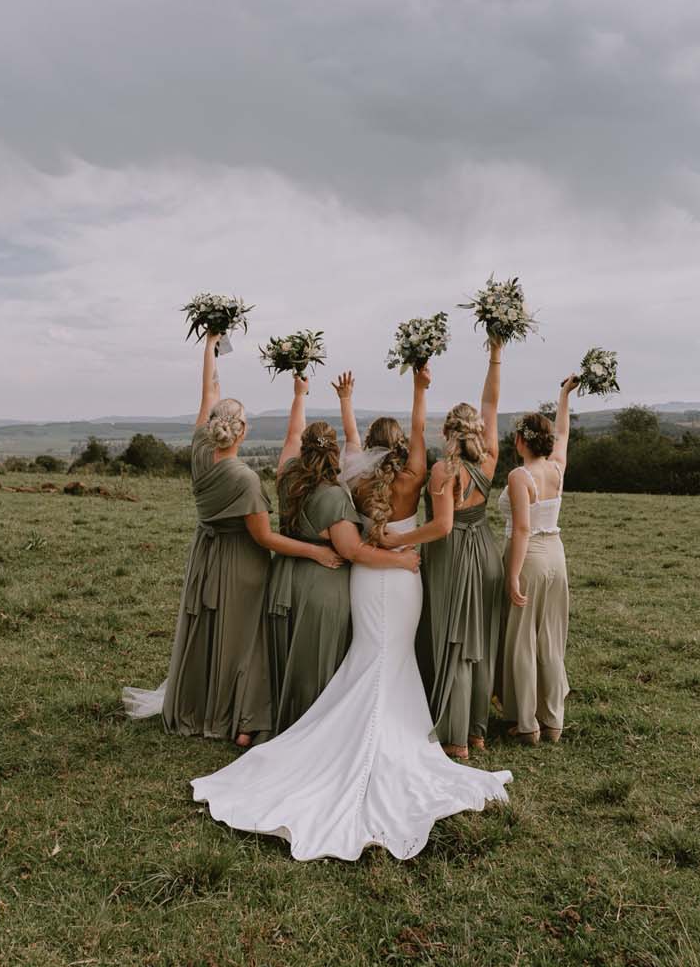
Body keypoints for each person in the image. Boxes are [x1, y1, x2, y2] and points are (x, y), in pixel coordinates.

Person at [190, 364, 512, 860]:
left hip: (365, 579)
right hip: (402, 575)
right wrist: (419, 387)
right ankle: (394, 731)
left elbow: (350, 443)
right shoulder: (414, 475)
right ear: (402, 445)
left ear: (365, 453)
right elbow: (417, 430)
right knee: (395, 652)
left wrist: (345, 403)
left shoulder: (357, 483)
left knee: (370, 651)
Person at [120, 332, 343, 746]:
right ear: (240, 432)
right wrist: (317, 551)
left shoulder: (200, 453)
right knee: (244, 641)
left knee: (206, 630)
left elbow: (208, 392)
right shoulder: (244, 479)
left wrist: (210, 345)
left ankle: (200, 702)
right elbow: (264, 539)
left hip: (206, 554)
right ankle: (238, 717)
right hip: (242, 564)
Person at [267, 375, 418, 732]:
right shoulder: (335, 496)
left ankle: (281, 722)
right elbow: (350, 550)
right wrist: (400, 559)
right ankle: (311, 730)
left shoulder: (287, 475)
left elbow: (291, 437)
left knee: (286, 654)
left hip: (283, 577)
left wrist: (299, 396)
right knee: (315, 660)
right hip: (321, 583)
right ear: (333, 452)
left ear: (303, 449)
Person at [381, 341, 504, 761]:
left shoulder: (443, 469)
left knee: (451, 637)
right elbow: (491, 403)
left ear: (448, 432)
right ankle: (476, 732)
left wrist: (397, 540)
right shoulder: (489, 461)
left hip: (452, 556)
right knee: (478, 640)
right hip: (487, 553)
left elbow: (442, 525)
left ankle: (454, 736)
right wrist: (495, 355)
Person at [499, 376, 576, 744]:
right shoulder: (557, 469)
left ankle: (527, 724)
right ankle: (554, 721)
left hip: (529, 559)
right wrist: (563, 397)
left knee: (522, 641)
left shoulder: (520, 476)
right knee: (550, 637)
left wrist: (512, 575)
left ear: (520, 441)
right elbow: (563, 433)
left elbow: (521, 531)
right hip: (557, 559)